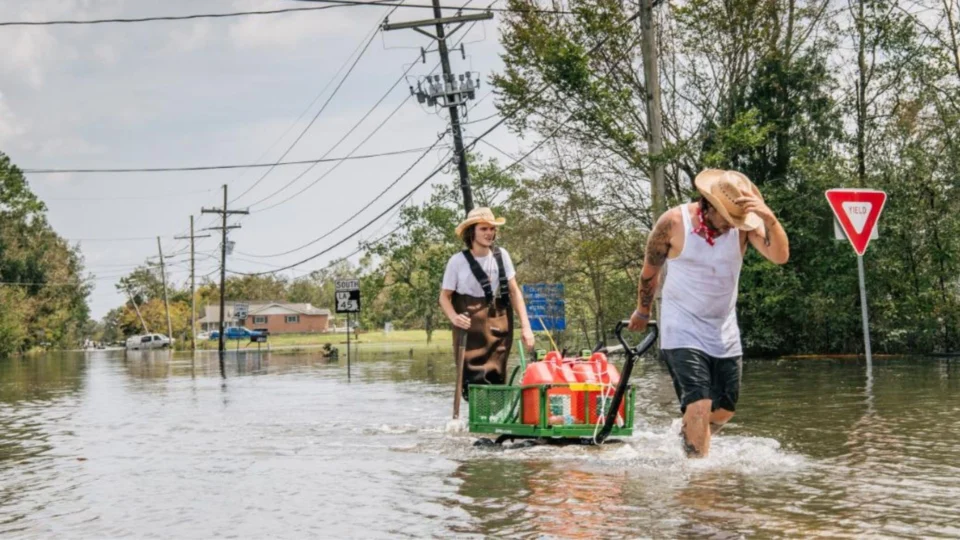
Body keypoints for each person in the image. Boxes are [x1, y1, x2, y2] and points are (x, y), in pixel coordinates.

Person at [628, 169, 789, 457]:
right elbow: (650, 272)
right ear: (708, 204)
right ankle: (699, 480)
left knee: (725, 409)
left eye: (736, 220)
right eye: (726, 218)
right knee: (699, 403)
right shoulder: (673, 222)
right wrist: (643, 310)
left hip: (723, 329)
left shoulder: (743, 227)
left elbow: (780, 256)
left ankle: (688, 435)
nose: (731, 225)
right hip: (682, 328)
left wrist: (769, 218)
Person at [439, 207, 536, 399]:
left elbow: (515, 292)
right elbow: (444, 297)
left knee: (497, 375)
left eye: (492, 229)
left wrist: (526, 327)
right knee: (472, 380)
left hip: (498, 322)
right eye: (484, 229)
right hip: (469, 327)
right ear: (471, 231)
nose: (489, 233)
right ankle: (475, 419)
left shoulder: (502, 256)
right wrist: (454, 318)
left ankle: (492, 422)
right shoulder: (457, 261)